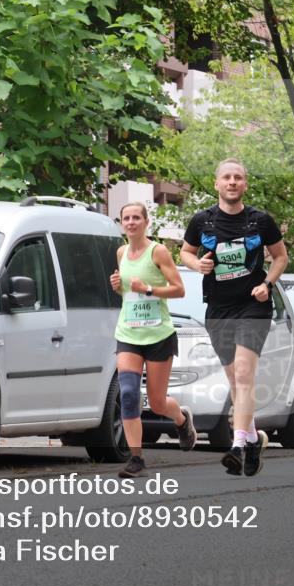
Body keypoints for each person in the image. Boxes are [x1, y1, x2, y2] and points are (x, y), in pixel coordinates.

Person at [179, 159, 288, 476]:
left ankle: (238, 445)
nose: (232, 182)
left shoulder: (260, 221)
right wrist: (196, 264)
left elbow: (281, 257)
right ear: (217, 184)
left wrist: (267, 284)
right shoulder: (202, 221)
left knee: (243, 374)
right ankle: (253, 439)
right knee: (234, 380)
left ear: (245, 184)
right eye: (226, 177)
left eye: (238, 178)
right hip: (218, 309)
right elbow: (185, 252)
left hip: (253, 306)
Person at [110, 202, 196, 478]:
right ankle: (136, 458)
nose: (131, 222)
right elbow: (127, 293)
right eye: (127, 218)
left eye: (137, 217)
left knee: (157, 403)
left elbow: (179, 290)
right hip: (128, 333)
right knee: (129, 393)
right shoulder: (121, 252)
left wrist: (147, 289)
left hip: (158, 334)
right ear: (122, 223)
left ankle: (181, 421)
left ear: (146, 222)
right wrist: (118, 287)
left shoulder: (157, 251)